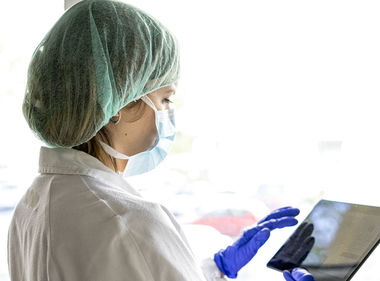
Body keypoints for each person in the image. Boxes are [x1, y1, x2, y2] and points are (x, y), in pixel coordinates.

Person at [7, 0, 316, 280]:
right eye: (166, 98)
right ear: (119, 104)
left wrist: (216, 267)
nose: (169, 112)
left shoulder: (29, 209)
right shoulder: (131, 222)